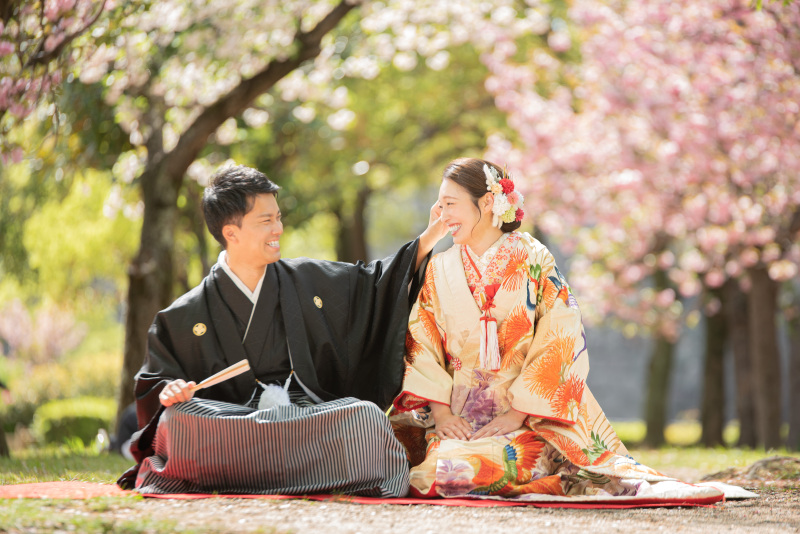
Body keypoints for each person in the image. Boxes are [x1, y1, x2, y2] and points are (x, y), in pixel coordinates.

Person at [390, 158, 722, 501]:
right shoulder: (440, 267)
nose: (442, 214)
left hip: (528, 417)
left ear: (488, 203)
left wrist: (519, 412)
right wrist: (442, 414)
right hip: (457, 413)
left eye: (450, 204)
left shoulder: (534, 258)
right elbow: (422, 340)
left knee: (463, 470)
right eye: (439, 204)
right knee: (429, 469)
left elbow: (560, 334)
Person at [118, 164, 447, 496]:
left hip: (305, 420)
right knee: (178, 420)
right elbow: (157, 387)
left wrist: (430, 235)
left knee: (364, 418)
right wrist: (171, 391)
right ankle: (316, 474)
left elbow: (376, 284)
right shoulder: (183, 315)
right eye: (266, 221)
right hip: (234, 427)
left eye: (278, 218)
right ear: (231, 233)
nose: (278, 229)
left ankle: (240, 477)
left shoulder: (306, 279)